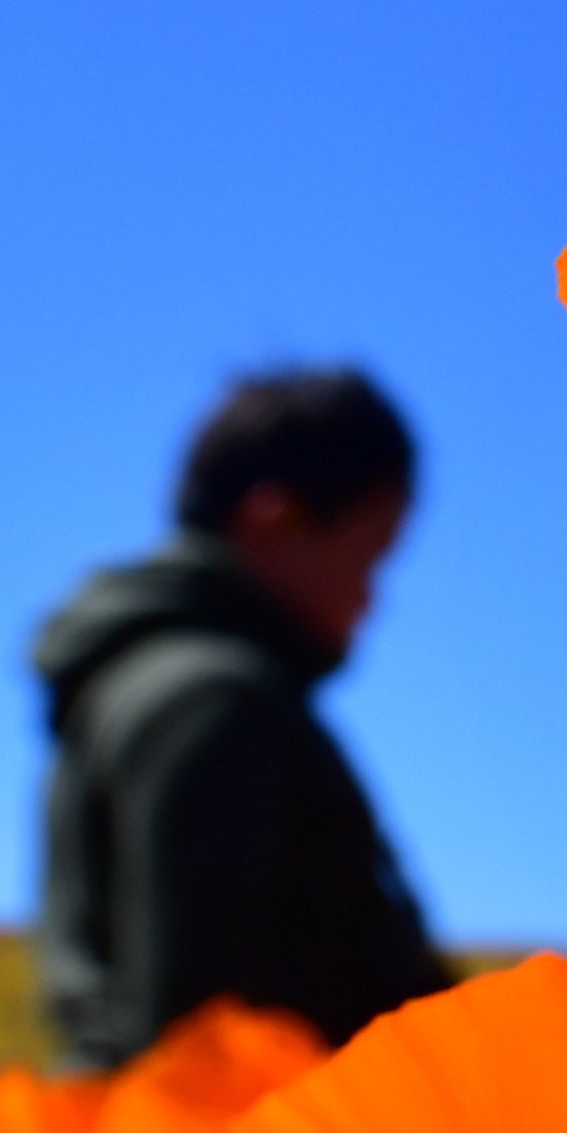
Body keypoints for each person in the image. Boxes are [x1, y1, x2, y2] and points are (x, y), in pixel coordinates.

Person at [30, 367, 455, 1075]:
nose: (373, 598)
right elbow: (201, 1051)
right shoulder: (213, 703)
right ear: (276, 522)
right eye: (370, 553)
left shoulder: (142, 687)